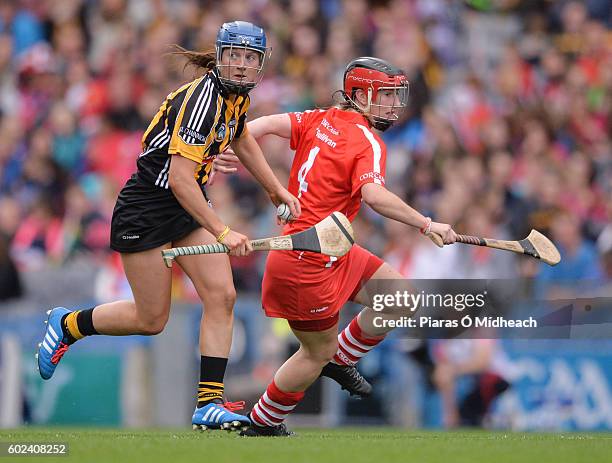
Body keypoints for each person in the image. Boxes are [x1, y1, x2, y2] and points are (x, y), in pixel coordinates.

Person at [35, 21, 300, 432]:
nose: (243, 65)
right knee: (150, 318)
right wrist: (223, 232)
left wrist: (275, 190)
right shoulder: (205, 100)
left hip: (185, 205)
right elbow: (178, 179)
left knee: (223, 295)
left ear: (261, 64)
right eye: (236, 55)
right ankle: (68, 324)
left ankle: (208, 404)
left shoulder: (235, 99)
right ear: (220, 56)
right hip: (147, 209)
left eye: (252, 58)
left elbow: (241, 137)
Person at [215, 57, 457, 436]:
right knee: (314, 353)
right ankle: (264, 422)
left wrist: (235, 137)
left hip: (335, 250)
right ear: (360, 96)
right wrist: (427, 224)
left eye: (396, 95)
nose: (394, 104)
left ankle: (339, 359)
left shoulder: (321, 117)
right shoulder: (369, 142)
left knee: (399, 299)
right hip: (304, 260)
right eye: (385, 95)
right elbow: (374, 196)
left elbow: (265, 123)